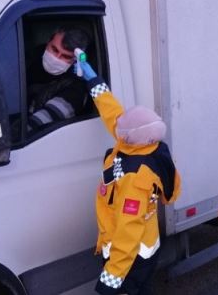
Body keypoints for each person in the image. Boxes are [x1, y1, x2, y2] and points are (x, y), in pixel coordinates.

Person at [74, 58, 181, 295]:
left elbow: (128, 231)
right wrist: (93, 80)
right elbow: (113, 113)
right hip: (140, 249)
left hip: (131, 259)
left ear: (129, 137)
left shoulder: (136, 177)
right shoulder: (143, 143)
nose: (117, 127)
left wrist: (111, 280)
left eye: (122, 129)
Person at [26, 28, 92, 131]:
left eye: (65, 56)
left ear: (75, 61)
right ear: (48, 42)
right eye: (54, 49)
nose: (56, 58)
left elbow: (35, 125)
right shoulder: (28, 59)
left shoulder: (75, 90)